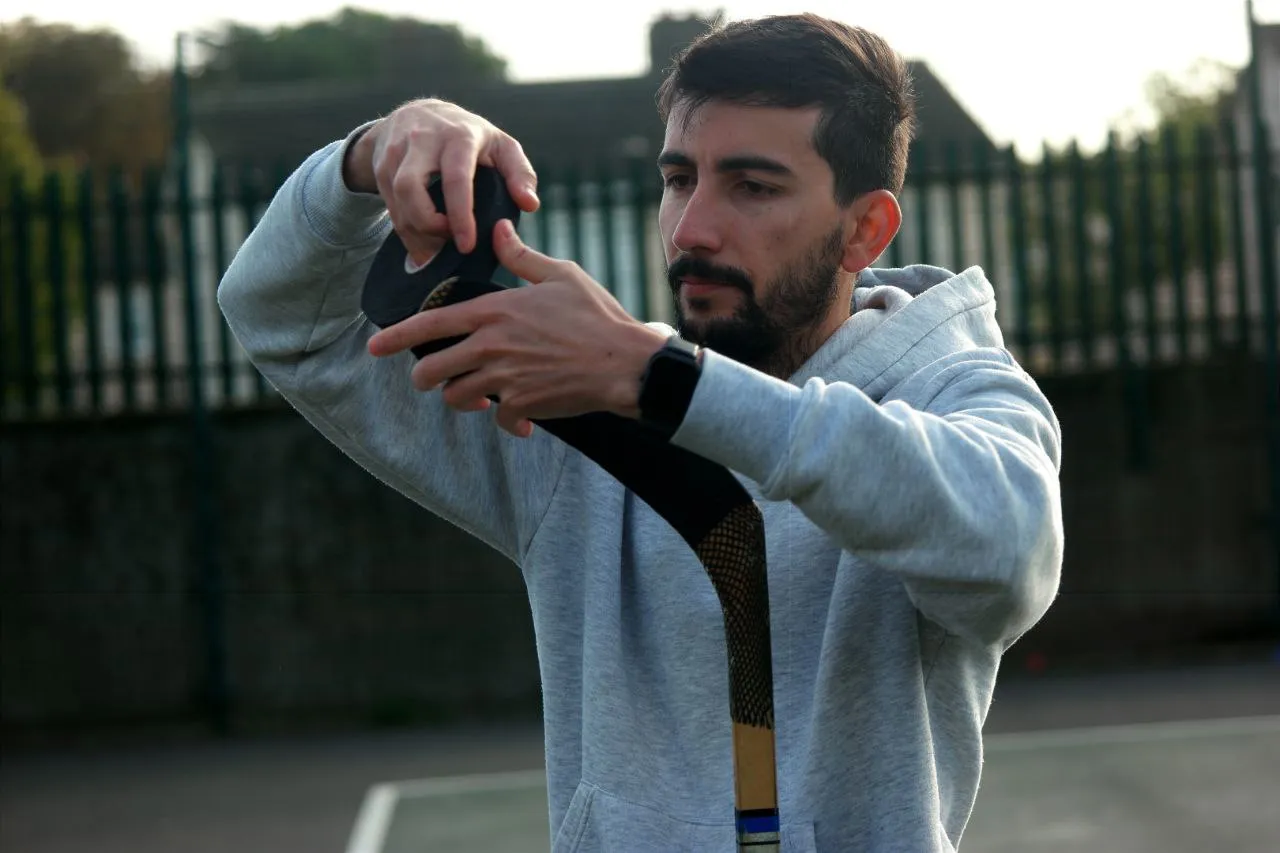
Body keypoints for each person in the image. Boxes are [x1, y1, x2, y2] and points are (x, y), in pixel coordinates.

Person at [218, 12, 1063, 852]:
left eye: (752, 186)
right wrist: (366, 160)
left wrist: (668, 382)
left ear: (864, 229)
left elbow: (1011, 551)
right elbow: (282, 321)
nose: (692, 227)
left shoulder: (956, 388)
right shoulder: (576, 403)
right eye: (677, 178)